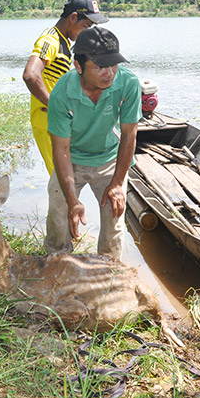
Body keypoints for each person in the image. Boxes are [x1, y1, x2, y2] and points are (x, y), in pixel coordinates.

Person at [43, 27, 141, 260]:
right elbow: (61, 149)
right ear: (78, 66)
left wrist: (117, 183)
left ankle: (109, 269)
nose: (109, 73)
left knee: (114, 222)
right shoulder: (62, 93)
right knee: (59, 216)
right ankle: (57, 262)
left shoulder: (128, 84)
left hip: (110, 159)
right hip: (72, 159)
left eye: (113, 65)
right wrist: (72, 200)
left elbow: (129, 136)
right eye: (99, 67)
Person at [22, 0, 108, 175]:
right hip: (47, 121)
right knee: (62, 178)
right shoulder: (50, 40)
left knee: (68, 176)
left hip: (58, 122)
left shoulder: (64, 42)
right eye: (85, 26)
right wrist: (55, 106)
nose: (86, 33)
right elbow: (31, 75)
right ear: (73, 17)